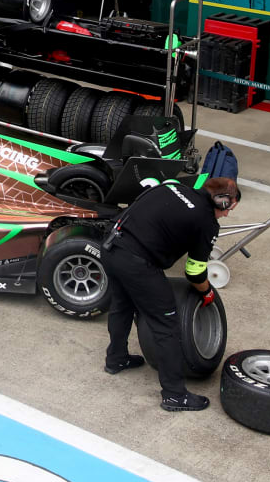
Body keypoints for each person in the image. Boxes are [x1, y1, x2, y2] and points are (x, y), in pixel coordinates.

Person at [102, 155, 240, 412]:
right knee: (167, 324)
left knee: (122, 305)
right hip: (137, 262)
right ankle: (175, 395)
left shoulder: (173, 186)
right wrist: (207, 293)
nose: (228, 213)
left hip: (111, 246)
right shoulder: (206, 222)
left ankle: (116, 359)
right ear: (220, 201)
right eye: (228, 208)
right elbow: (195, 272)